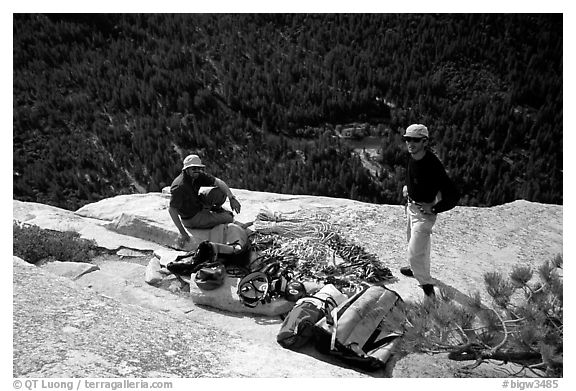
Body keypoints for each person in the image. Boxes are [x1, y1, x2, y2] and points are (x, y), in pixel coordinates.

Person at [400, 124, 459, 298]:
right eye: (408, 139)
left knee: (414, 253)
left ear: (424, 141)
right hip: (411, 208)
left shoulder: (432, 165)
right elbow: (414, 177)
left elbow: (453, 195)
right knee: (417, 245)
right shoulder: (414, 157)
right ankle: (415, 270)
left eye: (415, 140)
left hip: (423, 214)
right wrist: (408, 188)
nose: (410, 143)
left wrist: (433, 208)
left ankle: (427, 288)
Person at [169, 154, 242, 247]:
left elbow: (219, 182)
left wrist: (232, 198)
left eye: (198, 168)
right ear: (186, 169)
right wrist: (183, 232)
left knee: (221, 191)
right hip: (192, 217)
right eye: (193, 168)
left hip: (198, 203)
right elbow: (172, 210)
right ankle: (212, 215)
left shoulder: (197, 175)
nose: (196, 171)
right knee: (229, 217)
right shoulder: (179, 186)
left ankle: (216, 210)